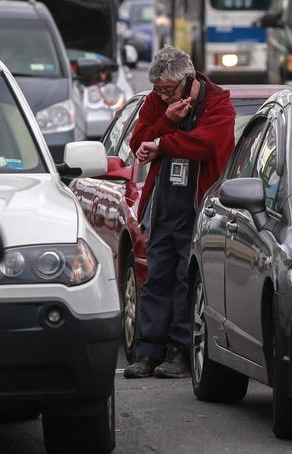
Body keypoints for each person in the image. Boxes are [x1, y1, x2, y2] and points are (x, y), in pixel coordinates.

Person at [123, 46, 236, 379]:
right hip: (163, 208)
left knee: (185, 282)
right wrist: (165, 120)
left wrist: (164, 142)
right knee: (156, 280)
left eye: (168, 89)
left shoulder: (218, 103)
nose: (161, 94)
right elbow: (138, 140)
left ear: (188, 80)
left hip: (199, 209)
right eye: (157, 89)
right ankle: (147, 353)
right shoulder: (157, 103)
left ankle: (179, 352)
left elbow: (209, 143)